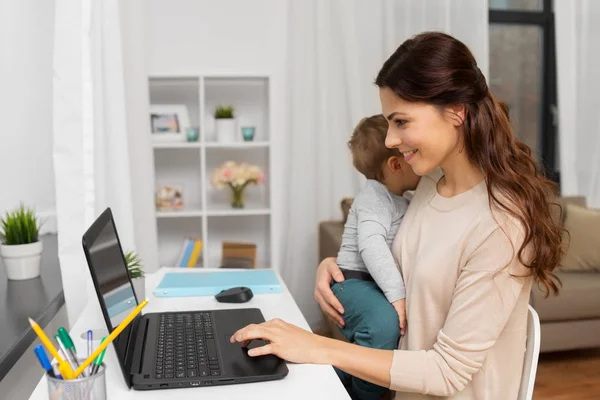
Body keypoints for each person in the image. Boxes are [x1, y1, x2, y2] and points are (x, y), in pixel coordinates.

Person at [230, 32, 564, 399]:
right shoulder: (429, 182)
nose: (389, 139)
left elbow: (447, 372)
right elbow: (414, 266)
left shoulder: (500, 223)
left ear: (456, 111)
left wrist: (316, 347)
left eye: (401, 122)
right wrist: (340, 266)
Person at [334, 114, 420, 399]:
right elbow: (371, 245)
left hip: (369, 283)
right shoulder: (373, 197)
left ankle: (338, 379)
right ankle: (360, 395)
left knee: (378, 335)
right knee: (384, 325)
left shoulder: (402, 199)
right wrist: (397, 295)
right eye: (412, 155)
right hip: (353, 281)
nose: (418, 164)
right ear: (396, 164)